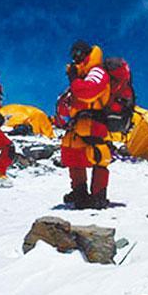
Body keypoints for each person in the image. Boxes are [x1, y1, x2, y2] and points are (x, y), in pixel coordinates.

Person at [60, 40, 113, 209]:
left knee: (97, 156)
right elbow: (65, 106)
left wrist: (74, 80)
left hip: (94, 122)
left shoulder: (97, 71)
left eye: (79, 54)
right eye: (73, 55)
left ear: (88, 54)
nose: (76, 58)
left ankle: (98, 196)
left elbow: (88, 93)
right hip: (78, 124)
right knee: (72, 156)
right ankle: (80, 193)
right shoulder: (80, 77)